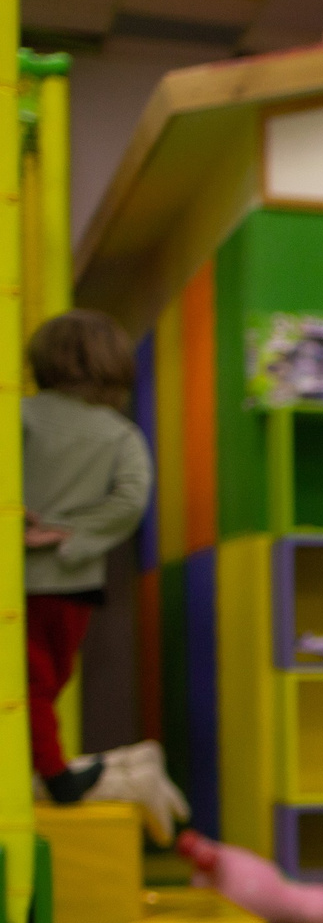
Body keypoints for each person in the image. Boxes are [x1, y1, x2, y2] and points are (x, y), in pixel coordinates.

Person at [24, 309, 152, 804]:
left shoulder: (21, 416)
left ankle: (45, 765)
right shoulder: (120, 434)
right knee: (49, 679)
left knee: (30, 681)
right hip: (73, 582)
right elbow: (131, 499)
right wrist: (71, 533)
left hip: (18, 579)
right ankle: (54, 773)